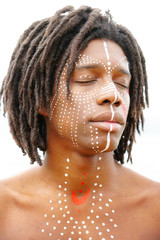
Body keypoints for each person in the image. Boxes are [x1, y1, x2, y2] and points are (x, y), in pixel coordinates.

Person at [0, 5, 160, 240]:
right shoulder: (5, 209)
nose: (112, 95)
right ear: (42, 100)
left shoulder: (155, 209)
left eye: (122, 83)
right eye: (86, 79)